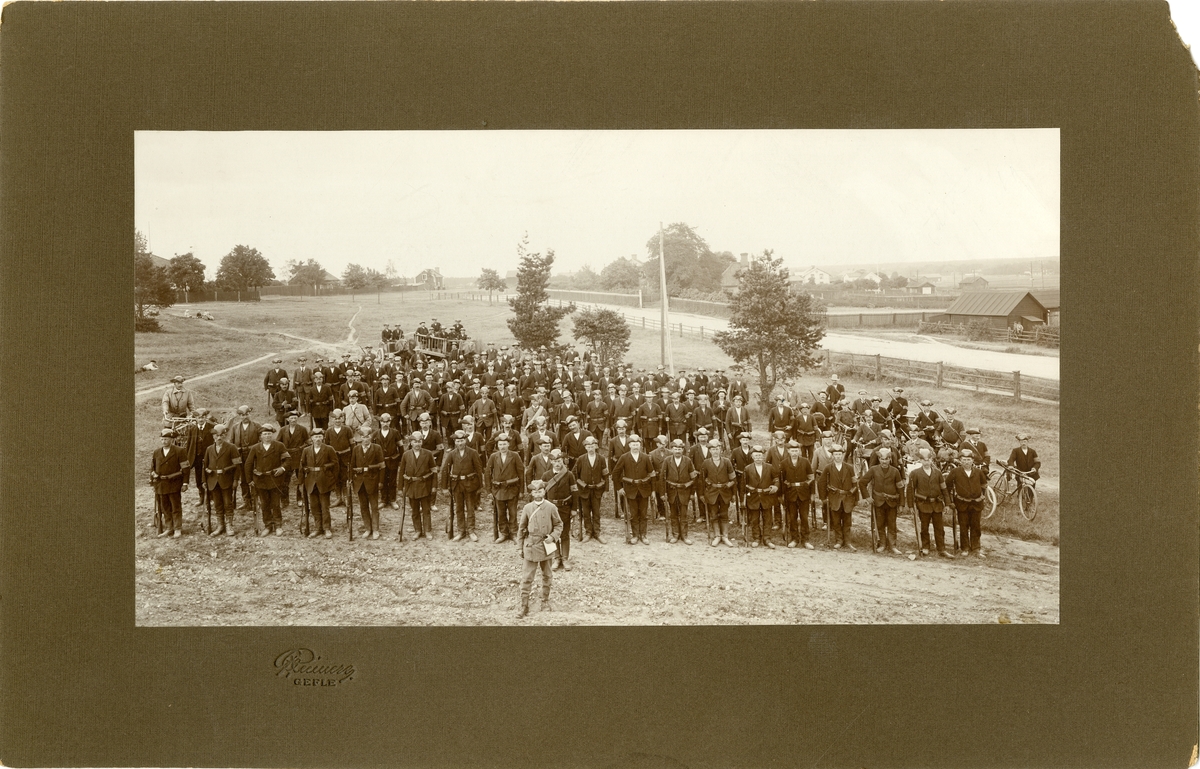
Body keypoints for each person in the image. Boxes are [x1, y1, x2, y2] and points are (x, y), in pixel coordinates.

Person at [514, 480, 563, 619]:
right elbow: (522, 528)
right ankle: (524, 605)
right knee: (527, 577)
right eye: (535, 491)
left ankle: (545, 600)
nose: (537, 494)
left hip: (546, 545)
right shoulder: (528, 508)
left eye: (540, 491)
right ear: (531, 493)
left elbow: (559, 525)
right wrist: (520, 547)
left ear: (544, 491)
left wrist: (553, 537)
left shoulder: (551, 507)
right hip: (530, 545)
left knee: (547, 575)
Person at [906, 447, 954, 558]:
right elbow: (910, 490)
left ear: (931, 460)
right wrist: (910, 505)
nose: (926, 462)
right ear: (920, 461)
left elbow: (944, 489)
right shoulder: (915, 473)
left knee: (939, 528)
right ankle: (926, 547)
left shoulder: (937, 473)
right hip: (923, 505)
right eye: (923, 460)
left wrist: (947, 503)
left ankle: (941, 549)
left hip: (937, 504)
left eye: (928, 460)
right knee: (924, 527)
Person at [244, 424, 290, 536]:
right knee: (264, 504)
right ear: (260, 436)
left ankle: (278, 525)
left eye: (269, 434)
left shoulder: (279, 446)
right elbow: (248, 464)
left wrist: (282, 468)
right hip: (260, 480)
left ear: (272, 435)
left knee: (275, 503)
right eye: (265, 434)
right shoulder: (255, 448)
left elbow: (288, 460)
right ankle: (268, 525)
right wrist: (249, 479)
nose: (267, 436)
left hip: (275, 479)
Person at [858, 446, 906, 554]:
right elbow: (862, 483)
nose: (884, 461)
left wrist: (902, 504)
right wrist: (867, 497)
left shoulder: (895, 471)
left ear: (890, 459)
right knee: (879, 524)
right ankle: (882, 544)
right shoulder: (873, 470)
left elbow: (900, 488)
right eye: (882, 459)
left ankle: (892, 546)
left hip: (892, 502)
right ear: (879, 459)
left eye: (886, 459)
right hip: (878, 502)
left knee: (892, 524)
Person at [612, 435, 656, 545]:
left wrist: (653, 490)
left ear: (640, 445)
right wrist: (619, 488)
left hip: (644, 489)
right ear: (629, 445)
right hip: (630, 490)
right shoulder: (624, 457)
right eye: (633, 444)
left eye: (637, 444)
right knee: (633, 513)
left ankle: (643, 535)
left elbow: (652, 475)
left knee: (644, 513)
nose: (635, 446)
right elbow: (615, 474)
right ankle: (635, 535)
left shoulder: (645, 457)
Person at [441, 430, 483, 542]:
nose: (460, 443)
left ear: (465, 440)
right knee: (459, 509)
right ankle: (461, 531)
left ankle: (471, 531)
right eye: (458, 441)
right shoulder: (451, 454)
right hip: (456, 485)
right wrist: (444, 487)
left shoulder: (473, 452)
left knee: (470, 508)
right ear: (454, 442)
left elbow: (479, 470)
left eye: (462, 440)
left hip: (470, 485)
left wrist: (480, 486)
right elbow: (445, 470)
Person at [945, 449, 987, 557]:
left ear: (972, 460)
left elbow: (984, 485)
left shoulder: (978, 472)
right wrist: (949, 502)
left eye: (968, 460)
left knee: (976, 526)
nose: (966, 462)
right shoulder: (955, 472)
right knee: (963, 526)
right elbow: (947, 486)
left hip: (976, 504)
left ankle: (976, 548)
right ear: (960, 460)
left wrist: (982, 496)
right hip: (962, 504)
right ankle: (965, 548)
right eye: (964, 460)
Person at [485, 433, 525, 543]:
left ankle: (513, 533)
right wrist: (489, 490)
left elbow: (521, 473)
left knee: (513, 513)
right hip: (498, 490)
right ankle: (503, 533)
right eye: (500, 444)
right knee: (501, 513)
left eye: (504, 444)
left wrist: (521, 490)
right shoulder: (494, 456)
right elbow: (487, 473)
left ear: (509, 444)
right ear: (497, 445)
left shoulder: (515, 455)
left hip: (512, 489)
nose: (502, 446)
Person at [150, 428, 189, 537]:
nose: (164, 441)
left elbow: (186, 468)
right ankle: (169, 527)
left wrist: (185, 483)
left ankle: (177, 528)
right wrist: (153, 481)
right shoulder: (157, 452)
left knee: (175, 506)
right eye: (162, 439)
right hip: (161, 484)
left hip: (174, 483)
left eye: (166, 439)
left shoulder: (179, 451)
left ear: (172, 440)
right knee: (165, 507)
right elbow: (152, 468)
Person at [541, 450, 577, 569]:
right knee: (552, 534)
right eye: (555, 461)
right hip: (550, 509)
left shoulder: (569, 475)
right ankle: (556, 558)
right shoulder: (546, 475)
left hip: (565, 508)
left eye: (559, 461)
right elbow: (543, 494)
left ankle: (565, 559)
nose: (557, 464)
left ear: (563, 461)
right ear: (551, 461)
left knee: (565, 534)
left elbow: (574, 493)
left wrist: (574, 509)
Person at [300, 428, 339, 538]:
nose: (318, 439)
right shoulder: (306, 450)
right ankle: (318, 528)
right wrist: (301, 481)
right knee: (314, 506)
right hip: (311, 482)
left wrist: (333, 480)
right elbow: (302, 466)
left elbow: (335, 465)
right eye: (315, 437)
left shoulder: (329, 449)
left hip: (324, 481)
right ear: (311, 438)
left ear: (323, 438)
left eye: (320, 437)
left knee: (324, 506)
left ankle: (326, 528)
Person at [202, 423, 239, 536]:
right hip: (213, 481)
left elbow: (237, 466)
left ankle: (229, 525)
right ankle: (220, 525)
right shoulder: (209, 449)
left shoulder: (231, 447)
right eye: (216, 435)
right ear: (213, 436)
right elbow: (205, 466)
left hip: (226, 481)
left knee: (228, 503)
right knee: (217, 504)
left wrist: (236, 480)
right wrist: (204, 481)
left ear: (225, 435)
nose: (219, 438)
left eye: (221, 435)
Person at [819, 446, 859, 550]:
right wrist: (823, 498)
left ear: (843, 455)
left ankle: (847, 541)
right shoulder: (828, 468)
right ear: (833, 456)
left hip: (847, 498)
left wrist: (856, 499)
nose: (838, 457)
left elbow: (855, 484)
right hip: (834, 498)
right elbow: (821, 483)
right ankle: (839, 540)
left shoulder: (849, 467)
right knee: (836, 521)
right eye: (836, 454)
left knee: (847, 521)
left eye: (840, 454)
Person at [399, 431, 437, 540]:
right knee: (414, 511)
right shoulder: (406, 455)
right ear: (410, 442)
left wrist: (434, 487)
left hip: (425, 485)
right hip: (411, 486)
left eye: (419, 441)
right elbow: (401, 472)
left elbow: (434, 471)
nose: (417, 444)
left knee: (426, 510)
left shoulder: (428, 453)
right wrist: (400, 488)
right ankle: (418, 530)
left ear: (422, 442)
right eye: (415, 442)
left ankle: (427, 530)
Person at [779, 439, 815, 549]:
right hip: (790, 494)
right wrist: (781, 495)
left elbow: (811, 478)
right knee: (792, 517)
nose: (794, 453)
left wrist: (812, 493)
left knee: (804, 517)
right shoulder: (784, 463)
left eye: (796, 451)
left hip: (804, 493)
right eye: (792, 451)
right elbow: (781, 481)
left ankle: (805, 540)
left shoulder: (805, 462)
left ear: (799, 451)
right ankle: (794, 539)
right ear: (788, 451)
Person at [350, 427, 385, 539]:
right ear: (360, 438)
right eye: (363, 437)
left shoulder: (377, 448)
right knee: (363, 507)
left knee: (374, 507)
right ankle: (367, 528)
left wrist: (380, 481)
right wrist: (351, 480)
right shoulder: (356, 449)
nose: (366, 439)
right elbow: (352, 466)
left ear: (371, 437)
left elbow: (382, 466)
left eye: (368, 436)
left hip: (373, 481)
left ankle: (375, 529)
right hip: (360, 483)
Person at [661, 439, 698, 545]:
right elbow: (662, 478)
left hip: (684, 491)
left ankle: (684, 535)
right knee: (673, 514)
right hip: (671, 491)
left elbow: (693, 478)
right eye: (676, 448)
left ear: (683, 450)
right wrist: (663, 493)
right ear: (672, 449)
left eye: (680, 449)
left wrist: (692, 493)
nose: (678, 451)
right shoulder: (667, 461)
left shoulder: (688, 461)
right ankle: (675, 534)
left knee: (683, 514)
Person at [741, 446, 778, 548]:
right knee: (754, 519)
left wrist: (775, 486)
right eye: (756, 456)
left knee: (768, 519)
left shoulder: (770, 467)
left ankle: (767, 539)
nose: (758, 458)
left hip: (767, 497)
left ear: (763, 456)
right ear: (752, 457)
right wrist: (743, 499)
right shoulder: (747, 469)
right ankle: (756, 538)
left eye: (760, 456)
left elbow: (776, 478)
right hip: (753, 498)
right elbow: (743, 485)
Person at [575, 436, 608, 543]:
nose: (591, 448)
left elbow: (605, 475)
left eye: (592, 446)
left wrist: (606, 490)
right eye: (588, 446)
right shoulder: (580, 459)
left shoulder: (601, 459)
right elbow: (575, 474)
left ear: (596, 446)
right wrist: (580, 485)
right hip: (584, 491)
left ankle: (597, 533)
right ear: (585, 447)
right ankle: (588, 532)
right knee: (586, 513)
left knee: (596, 512)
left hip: (597, 490)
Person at [228, 406, 260, 509]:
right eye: (242, 415)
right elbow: (231, 443)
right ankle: (246, 500)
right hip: (239, 456)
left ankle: (255, 500)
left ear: (250, 415)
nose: (245, 417)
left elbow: (260, 442)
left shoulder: (257, 426)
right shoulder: (235, 427)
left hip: (253, 456)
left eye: (246, 414)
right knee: (243, 479)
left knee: (254, 477)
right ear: (239, 416)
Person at [278, 410, 309, 508]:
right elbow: (278, 442)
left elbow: (308, 441)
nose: (293, 420)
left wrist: (301, 448)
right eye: (291, 418)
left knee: (300, 479)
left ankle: (300, 499)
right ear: (287, 419)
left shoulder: (302, 429)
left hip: (299, 456)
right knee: (284, 480)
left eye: (295, 418)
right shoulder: (283, 430)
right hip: (287, 458)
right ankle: (284, 500)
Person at [373, 412, 404, 511]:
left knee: (392, 481)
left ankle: (392, 499)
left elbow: (401, 447)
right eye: (383, 422)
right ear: (380, 422)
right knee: (382, 480)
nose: (385, 424)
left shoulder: (395, 433)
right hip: (381, 462)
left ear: (390, 422)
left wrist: (400, 460)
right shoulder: (375, 434)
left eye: (387, 422)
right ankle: (383, 500)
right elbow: (373, 449)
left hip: (392, 460)